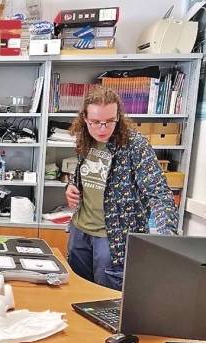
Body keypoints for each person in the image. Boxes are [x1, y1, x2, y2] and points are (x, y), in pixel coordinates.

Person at [65, 87, 178, 291]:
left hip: (113, 237)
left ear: (118, 117)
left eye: (109, 121)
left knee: (107, 301)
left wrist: (167, 238)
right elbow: (89, 174)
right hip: (80, 232)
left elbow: (159, 193)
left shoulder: (135, 145)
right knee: (76, 293)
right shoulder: (85, 138)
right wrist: (72, 186)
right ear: (85, 118)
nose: (102, 128)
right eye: (95, 122)